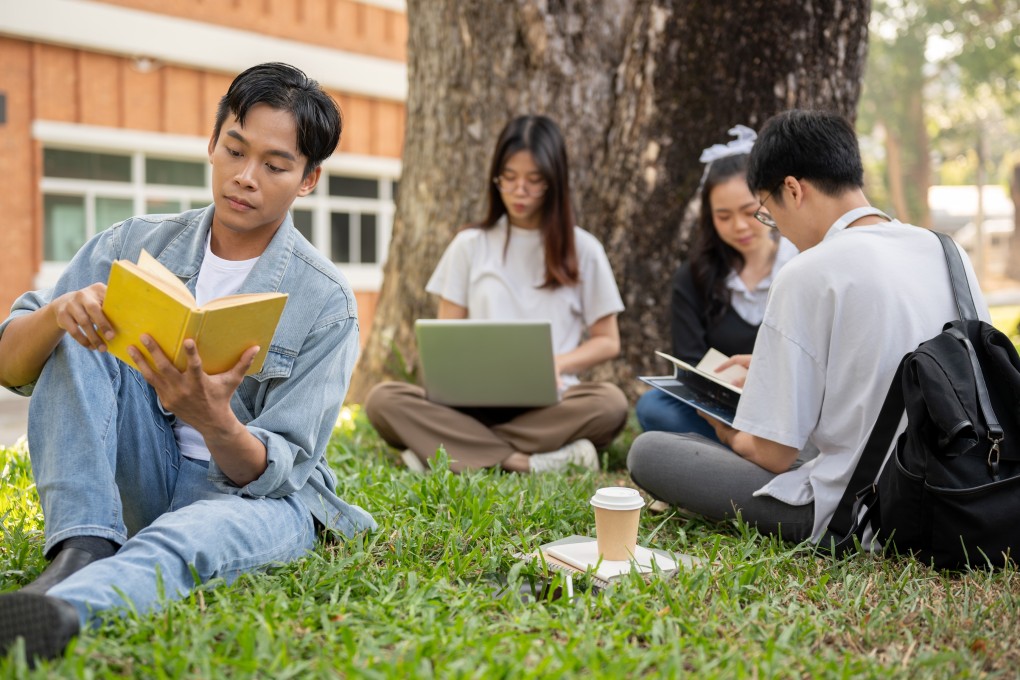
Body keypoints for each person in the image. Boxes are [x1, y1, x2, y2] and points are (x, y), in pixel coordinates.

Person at [0, 63, 375, 663]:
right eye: (234, 149)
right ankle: (82, 547)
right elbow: (11, 367)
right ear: (213, 141)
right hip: (137, 479)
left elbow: (279, 474)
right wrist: (56, 314)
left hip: (250, 501)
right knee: (78, 328)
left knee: (194, 535)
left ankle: (64, 611)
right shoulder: (132, 243)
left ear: (308, 180)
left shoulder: (326, 304)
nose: (245, 178)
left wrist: (211, 417)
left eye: (275, 166)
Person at [627, 109, 989, 545]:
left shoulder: (808, 271)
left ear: (792, 189)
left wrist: (718, 420)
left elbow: (772, 455)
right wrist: (769, 366)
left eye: (766, 213)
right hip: (963, 489)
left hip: (864, 510)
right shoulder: (947, 251)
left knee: (648, 453)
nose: (776, 229)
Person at [365, 115, 627, 474]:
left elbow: (607, 341)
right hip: (471, 403)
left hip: (551, 403)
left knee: (610, 403)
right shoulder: (469, 245)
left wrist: (557, 363)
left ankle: (449, 450)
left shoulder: (584, 249)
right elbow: (445, 339)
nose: (520, 191)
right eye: (510, 178)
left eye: (534, 181)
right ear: (496, 178)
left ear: (555, 183)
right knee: (383, 400)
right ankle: (523, 462)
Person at [636, 125, 797, 439]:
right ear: (709, 217)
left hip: (790, 407)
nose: (739, 226)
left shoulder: (801, 266)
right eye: (723, 216)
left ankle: (746, 451)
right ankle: (740, 446)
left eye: (750, 211)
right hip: (722, 407)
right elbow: (689, 361)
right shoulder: (695, 276)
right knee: (654, 406)